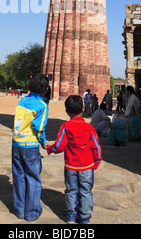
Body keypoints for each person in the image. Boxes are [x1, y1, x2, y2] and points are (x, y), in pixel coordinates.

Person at [47, 95, 102, 224]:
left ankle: (71, 216)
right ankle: (84, 217)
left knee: (71, 190)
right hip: (87, 166)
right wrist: (96, 162)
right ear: (83, 109)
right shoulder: (89, 128)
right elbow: (96, 147)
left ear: (66, 112)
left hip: (71, 166)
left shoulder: (66, 126)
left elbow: (60, 145)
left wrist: (50, 149)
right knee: (86, 191)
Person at [12, 73, 49, 222]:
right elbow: (38, 127)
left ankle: (20, 210)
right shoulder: (42, 105)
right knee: (33, 178)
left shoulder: (21, 101)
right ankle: (32, 212)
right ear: (45, 89)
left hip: (16, 144)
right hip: (31, 146)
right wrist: (44, 142)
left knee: (19, 177)